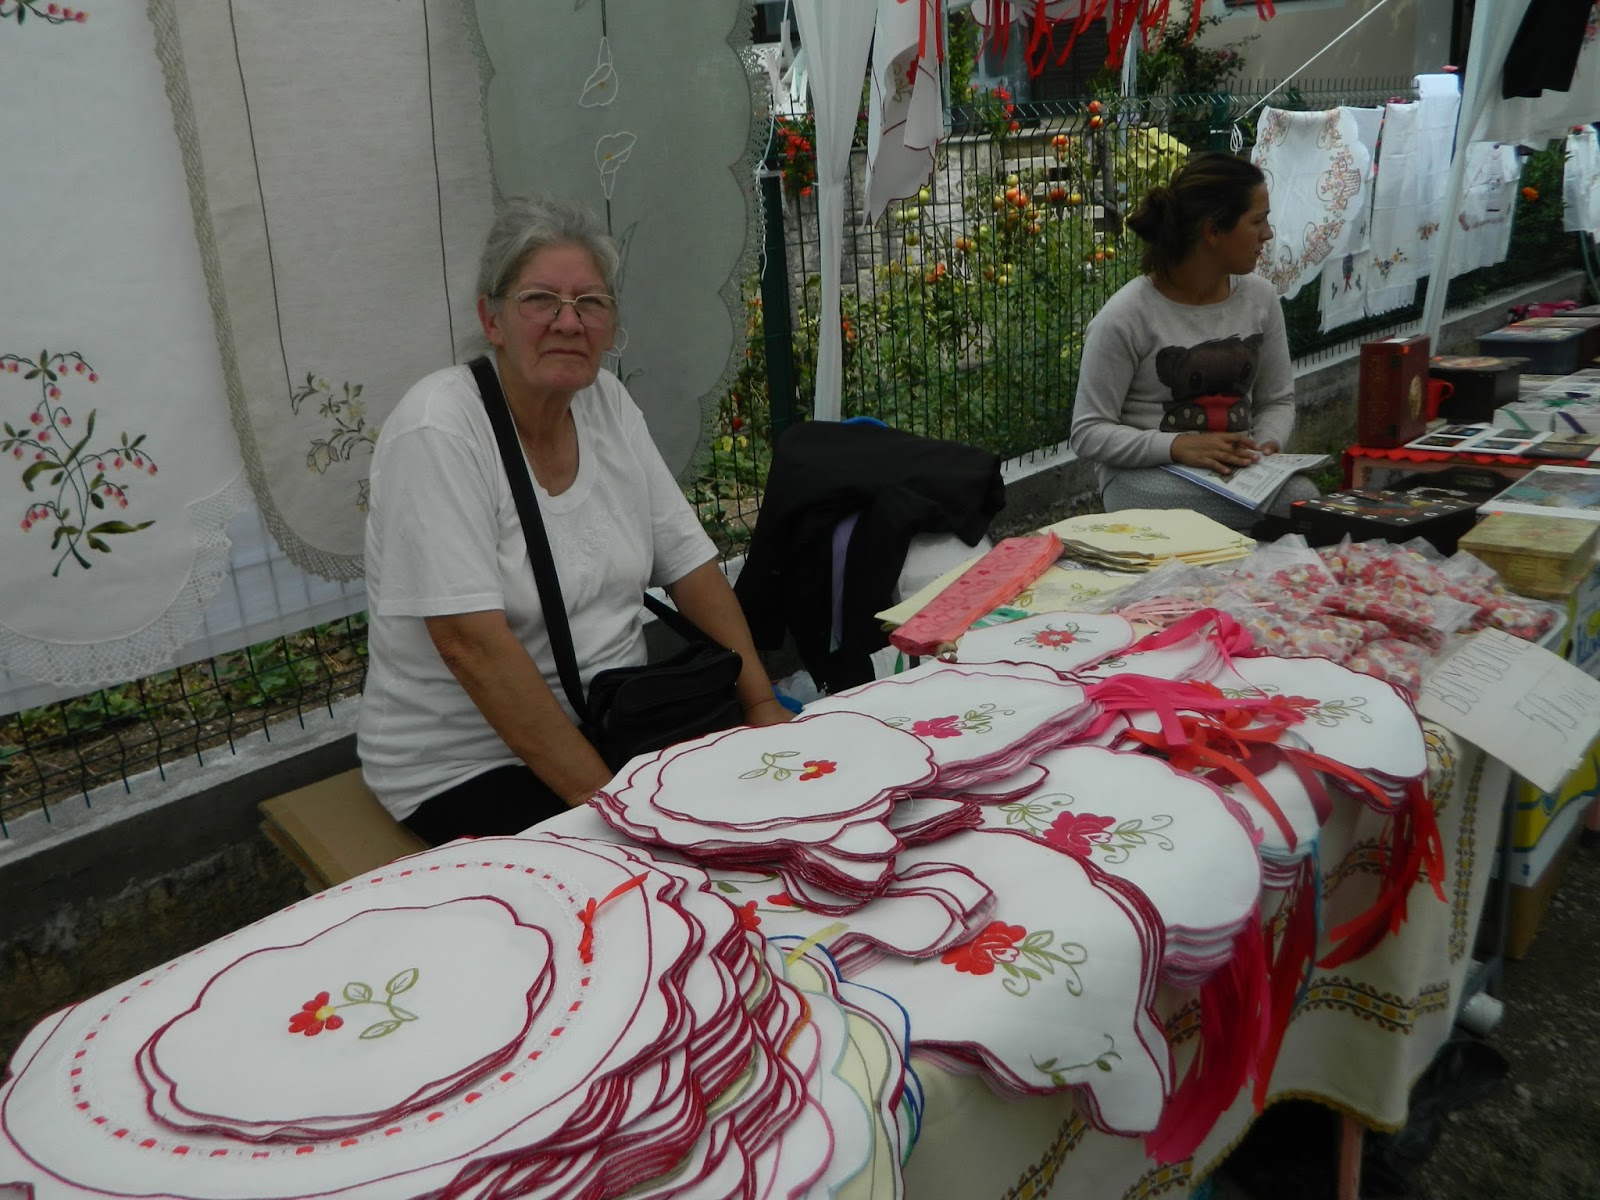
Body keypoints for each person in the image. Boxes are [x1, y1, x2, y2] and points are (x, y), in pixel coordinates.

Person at [358, 195, 790, 844]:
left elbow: (691, 566)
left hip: (618, 718)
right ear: (492, 319)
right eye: (540, 300)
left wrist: (761, 705)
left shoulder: (606, 403)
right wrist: (613, 808)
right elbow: (470, 645)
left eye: (590, 302)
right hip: (466, 762)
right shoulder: (438, 429)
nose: (569, 321)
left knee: (773, 822)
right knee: (647, 882)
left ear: (610, 326)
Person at [1069, 152, 1318, 529]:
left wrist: (1265, 448)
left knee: (1302, 499)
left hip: (1237, 475)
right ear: (1213, 231)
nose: (1268, 234)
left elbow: (1277, 400)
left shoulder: (1261, 299)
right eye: (1257, 221)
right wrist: (1177, 446)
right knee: (1281, 508)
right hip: (1145, 477)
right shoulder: (1125, 317)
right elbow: (1088, 432)